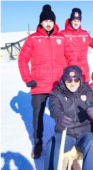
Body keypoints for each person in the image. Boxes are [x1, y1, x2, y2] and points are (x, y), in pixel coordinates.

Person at [41, 66, 93, 170]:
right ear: (64, 80)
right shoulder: (56, 93)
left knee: (92, 144)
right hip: (65, 134)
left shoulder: (87, 92)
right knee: (51, 145)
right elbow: (54, 109)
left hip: (83, 133)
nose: (73, 83)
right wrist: (59, 118)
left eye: (76, 79)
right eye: (69, 80)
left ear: (80, 79)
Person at [17, 4, 67, 159]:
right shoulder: (33, 39)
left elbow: (70, 58)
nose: (48, 23)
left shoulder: (61, 38)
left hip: (58, 86)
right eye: (45, 20)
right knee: (37, 116)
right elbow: (22, 59)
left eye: (50, 21)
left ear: (54, 22)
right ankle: (38, 145)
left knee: (61, 115)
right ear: (41, 23)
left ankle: (62, 143)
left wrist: (69, 78)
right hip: (39, 85)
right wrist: (28, 78)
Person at [62, 8, 93, 83]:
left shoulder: (84, 34)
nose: (76, 23)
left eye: (78, 21)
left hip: (83, 74)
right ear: (70, 20)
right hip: (70, 73)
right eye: (74, 20)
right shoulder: (63, 34)